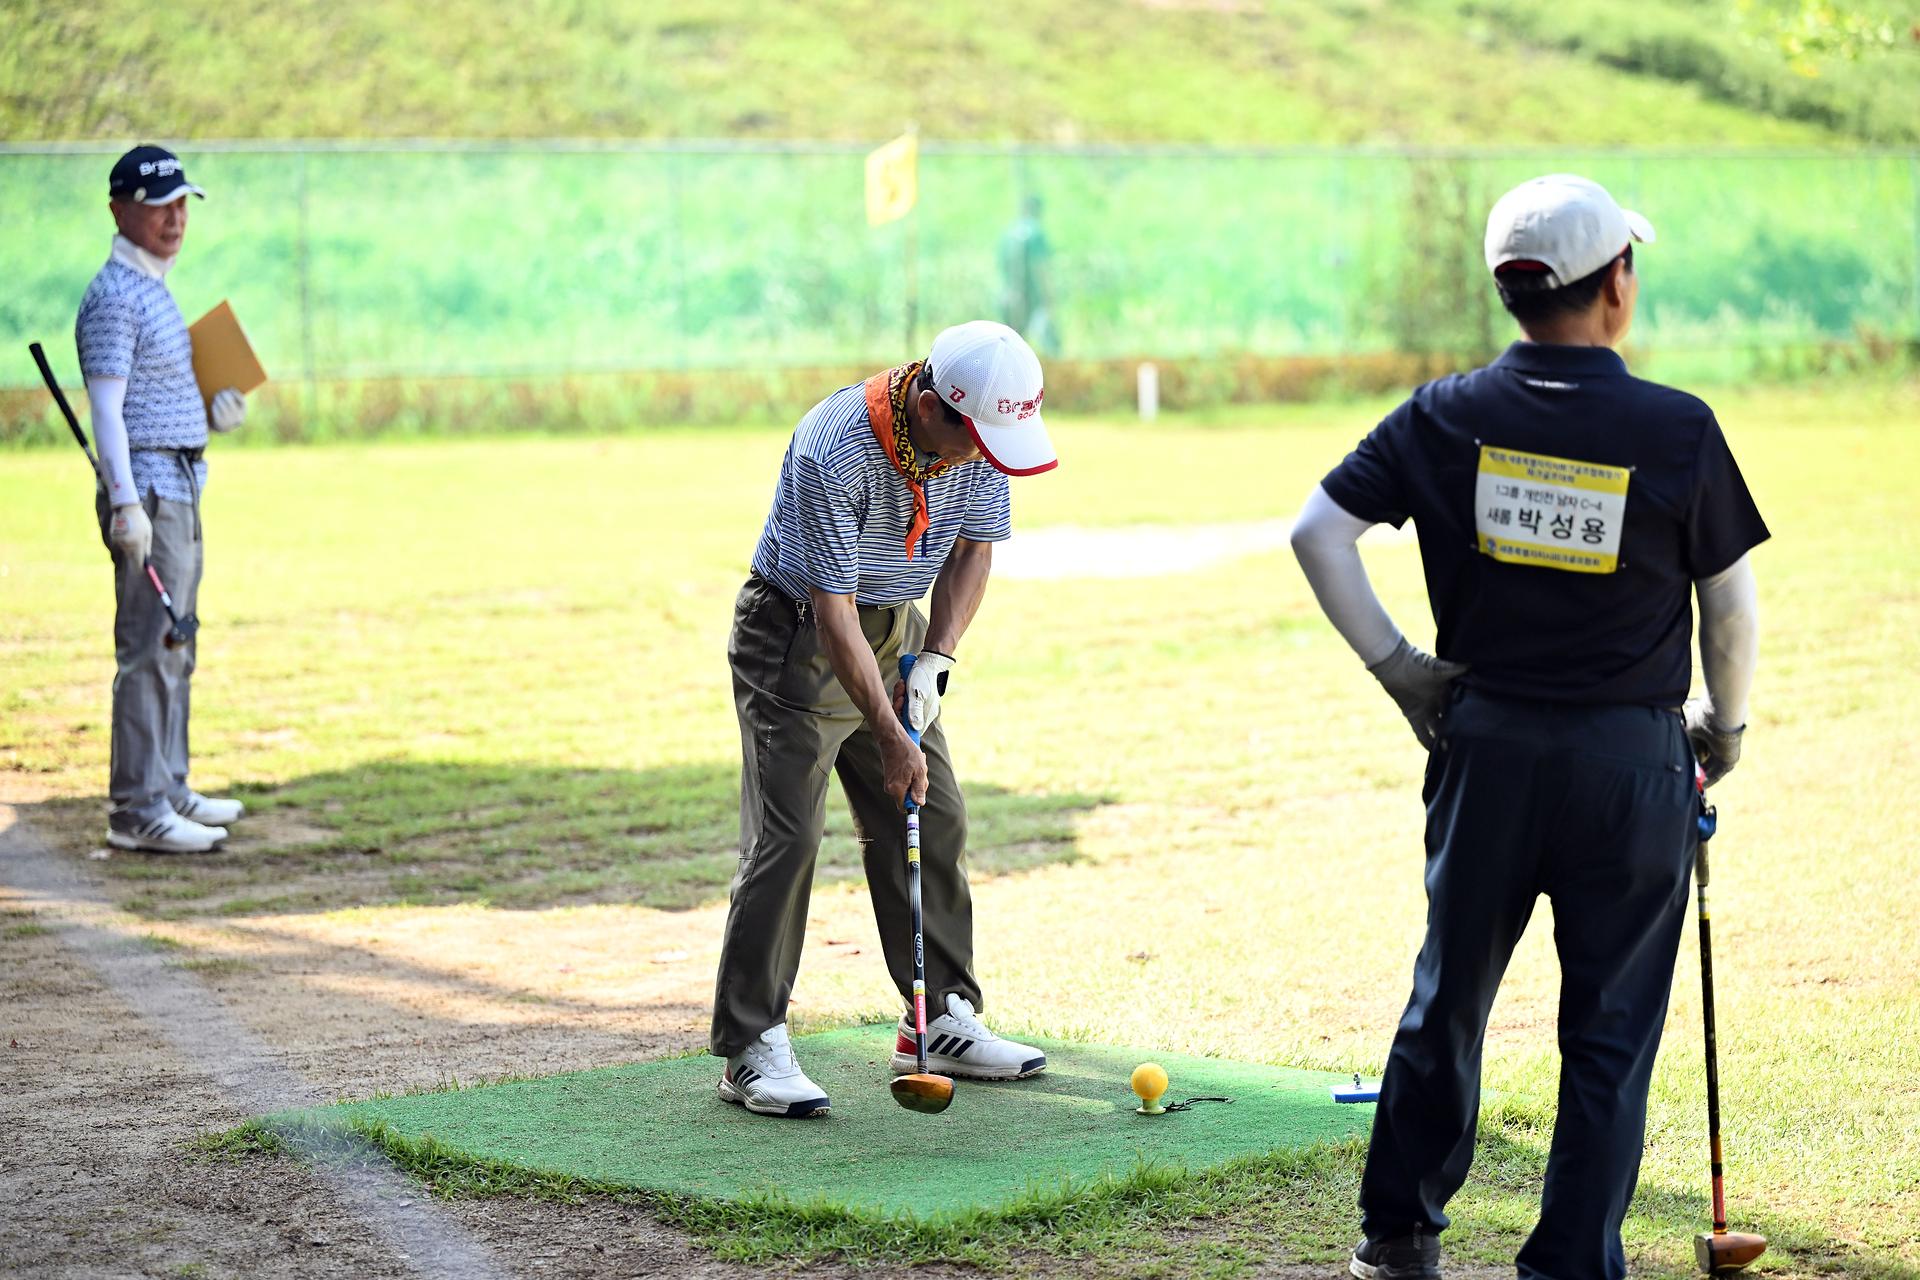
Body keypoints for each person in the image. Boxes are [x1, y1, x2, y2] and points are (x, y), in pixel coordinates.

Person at [1289, 174, 1767, 1280]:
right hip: (1631, 761)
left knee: (1447, 995)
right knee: (1608, 1032)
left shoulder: (1442, 412)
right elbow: (1730, 607)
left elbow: (1319, 533)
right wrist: (1723, 730)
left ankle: (1398, 1238)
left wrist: (1407, 673)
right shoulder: (1677, 426)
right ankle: (1568, 1263)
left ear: (1515, 293)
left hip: (1486, 746)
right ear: (1617, 287)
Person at [712, 320, 1057, 1118]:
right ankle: (750, 1045)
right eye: (975, 439)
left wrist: (936, 657)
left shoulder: (979, 437)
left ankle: (937, 1021)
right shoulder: (833, 448)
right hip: (794, 634)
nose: (985, 456)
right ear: (933, 407)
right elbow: (831, 610)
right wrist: (890, 733)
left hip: (892, 624)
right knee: (788, 836)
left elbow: (974, 548)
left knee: (932, 814)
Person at [76, 146, 251, 854]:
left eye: (181, 203)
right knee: (150, 647)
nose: (175, 218)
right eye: (159, 205)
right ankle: (138, 810)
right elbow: (108, 412)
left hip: (179, 483)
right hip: (148, 490)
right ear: (121, 210)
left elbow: (153, 400)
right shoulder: (116, 295)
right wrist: (124, 504)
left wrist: (214, 414)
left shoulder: (156, 287)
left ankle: (169, 785)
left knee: (177, 642)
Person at [999, 194, 1056, 355]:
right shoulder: (1036, 233)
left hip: (1008, 296)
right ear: (1037, 211)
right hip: (1031, 297)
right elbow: (1040, 268)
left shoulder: (1008, 233)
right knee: (1041, 341)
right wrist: (1049, 297)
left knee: (1012, 343)